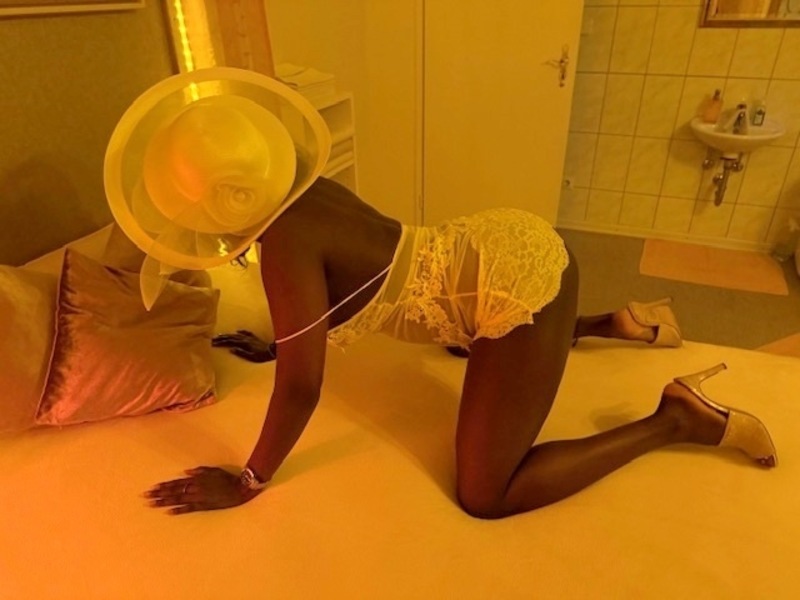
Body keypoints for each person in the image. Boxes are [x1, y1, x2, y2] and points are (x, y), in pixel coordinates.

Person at [107, 68, 777, 519]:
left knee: (487, 494)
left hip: (516, 282)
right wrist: (281, 340)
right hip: (487, 245)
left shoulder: (282, 244)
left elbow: (302, 388)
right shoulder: (307, 191)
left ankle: (677, 420)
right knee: (465, 340)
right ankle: (614, 323)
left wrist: (248, 480)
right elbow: (349, 284)